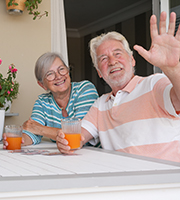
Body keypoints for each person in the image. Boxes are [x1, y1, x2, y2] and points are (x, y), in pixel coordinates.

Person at [57, 11, 180, 163]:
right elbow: (79, 137)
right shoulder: (101, 105)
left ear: (132, 60)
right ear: (99, 72)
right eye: (103, 58)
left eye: (117, 53)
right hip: (122, 180)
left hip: (165, 180)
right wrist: (65, 143)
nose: (112, 61)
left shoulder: (153, 84)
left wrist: (173, 69)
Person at [4, 52, 98, 147]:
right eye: (50, 74)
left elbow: (80, 136)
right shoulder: (42, 102)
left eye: (61, 69)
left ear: (68, 71)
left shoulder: (85, 89)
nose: (58, 76)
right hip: (64, 156)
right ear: (42, 85)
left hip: (95, 154)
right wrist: (19, 140)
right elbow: (32, 133)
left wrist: (40, 129)